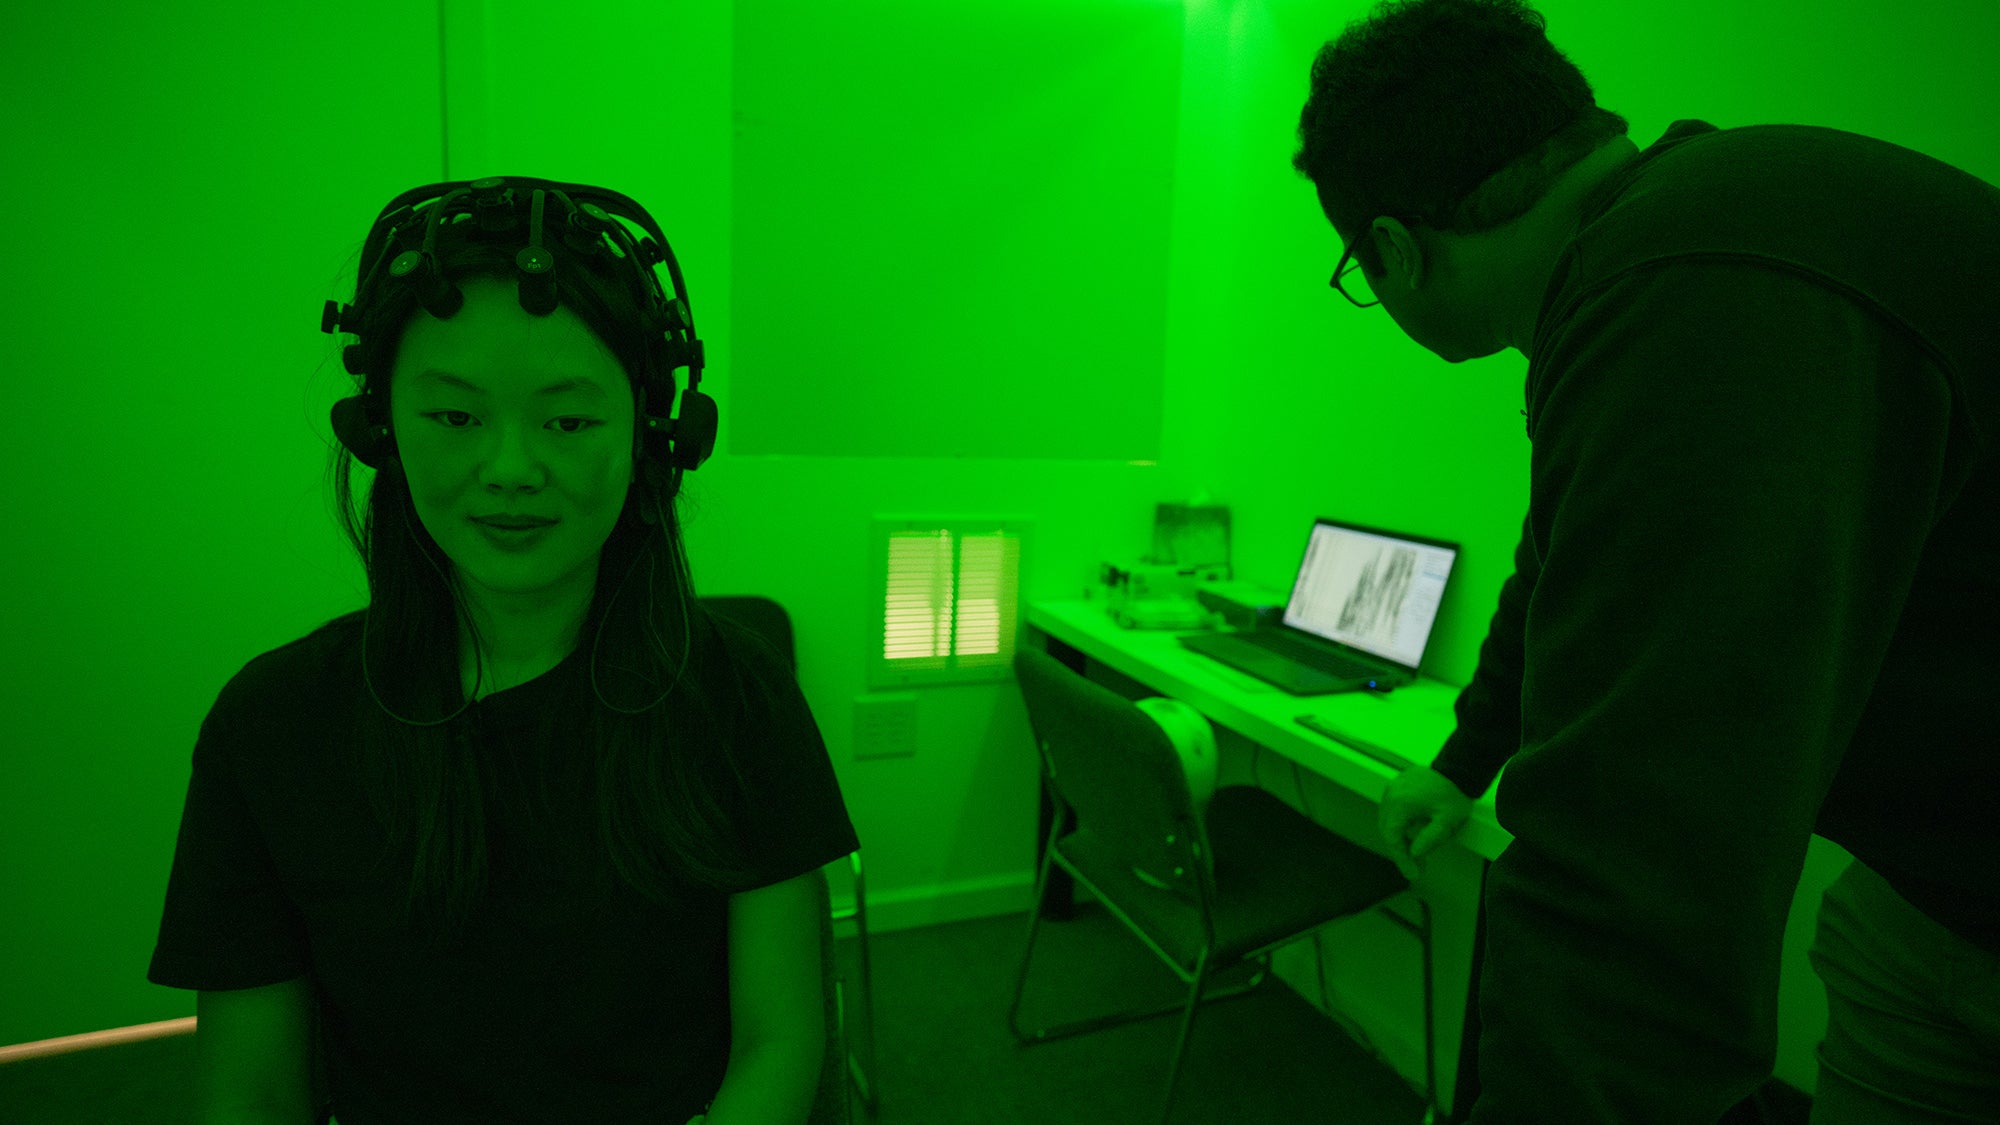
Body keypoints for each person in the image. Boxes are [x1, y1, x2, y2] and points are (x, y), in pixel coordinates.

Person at [1321, 1, 2000, 1122]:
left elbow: (1633, 855)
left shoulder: (1698, 288)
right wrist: (1462, 758)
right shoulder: (1671, 250)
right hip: (1922, 899)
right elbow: (1555, 557)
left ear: (1391, 250)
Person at [148, 190, 859, 1124]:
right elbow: (252, 1089)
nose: (511, 467)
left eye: (567, 422)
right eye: (454, 417)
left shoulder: (738, 698)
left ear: (653, 432)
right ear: (382, 427)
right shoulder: (272, 728)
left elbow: (782, 1042)